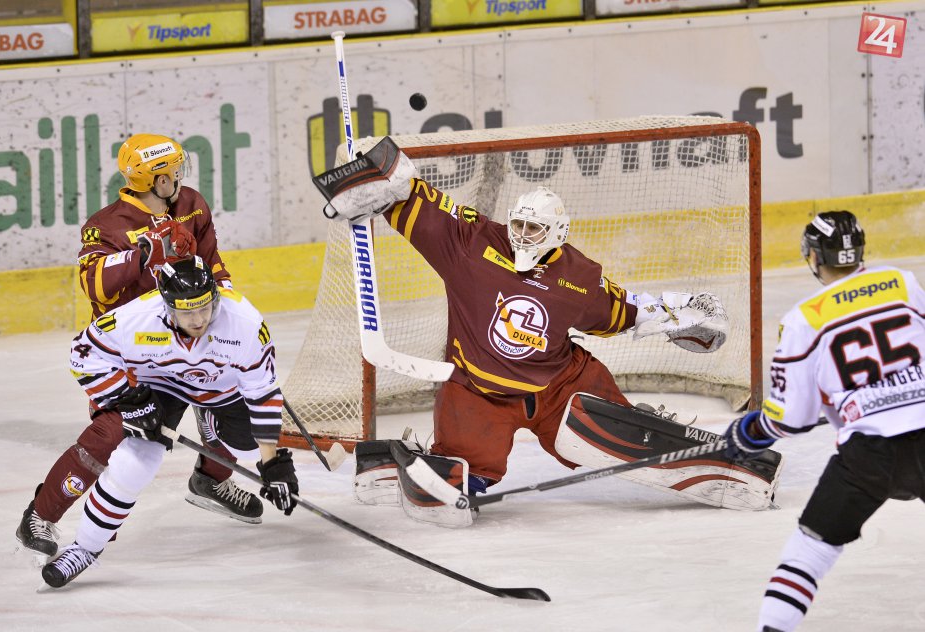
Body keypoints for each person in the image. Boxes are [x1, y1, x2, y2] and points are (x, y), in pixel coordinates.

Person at [313, 137, 733, 526]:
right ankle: (416, 465)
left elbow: (622, 310)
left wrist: (676, 315)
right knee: (464, 472)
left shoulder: (579, 277)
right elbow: (422, 205)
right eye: (518, 226)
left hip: (557, 387)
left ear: (558, 233)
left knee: (615, 431)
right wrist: (386, 181)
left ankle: (668, 443)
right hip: (478, 390)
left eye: (534, 229)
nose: (523, 236)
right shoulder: (473, 244)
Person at [17, 134, 260, 560]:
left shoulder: (192, 204)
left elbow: (213, 264)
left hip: (189, 334)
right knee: (112, 433)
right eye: (173, 171)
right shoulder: (107, 225)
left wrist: (231, 317)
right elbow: (94, 285)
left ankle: (211, 479)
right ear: (156, 179)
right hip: (134, 355)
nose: (180, 177)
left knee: (240, 397)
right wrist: (142, 253)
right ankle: (40, 515)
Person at [41, 256, 299, 588]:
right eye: (187, 312)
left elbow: (262, 394)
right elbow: (83, 353)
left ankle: (210, 421)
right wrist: (130, 399)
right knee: (134, 463)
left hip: (221, 390)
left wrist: (272, 464)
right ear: (167, 306)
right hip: (160, 387)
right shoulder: (137, 318)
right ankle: (84, 549)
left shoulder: (245, 323)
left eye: (204, 308)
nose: (199, 319)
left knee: (249, 447)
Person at [722, 211, 925, 631]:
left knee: (810, 552)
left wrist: (749, 433)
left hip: (868, 454)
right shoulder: (903, 283)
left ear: (814, 257)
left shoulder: (804, 319)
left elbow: (791, 418)